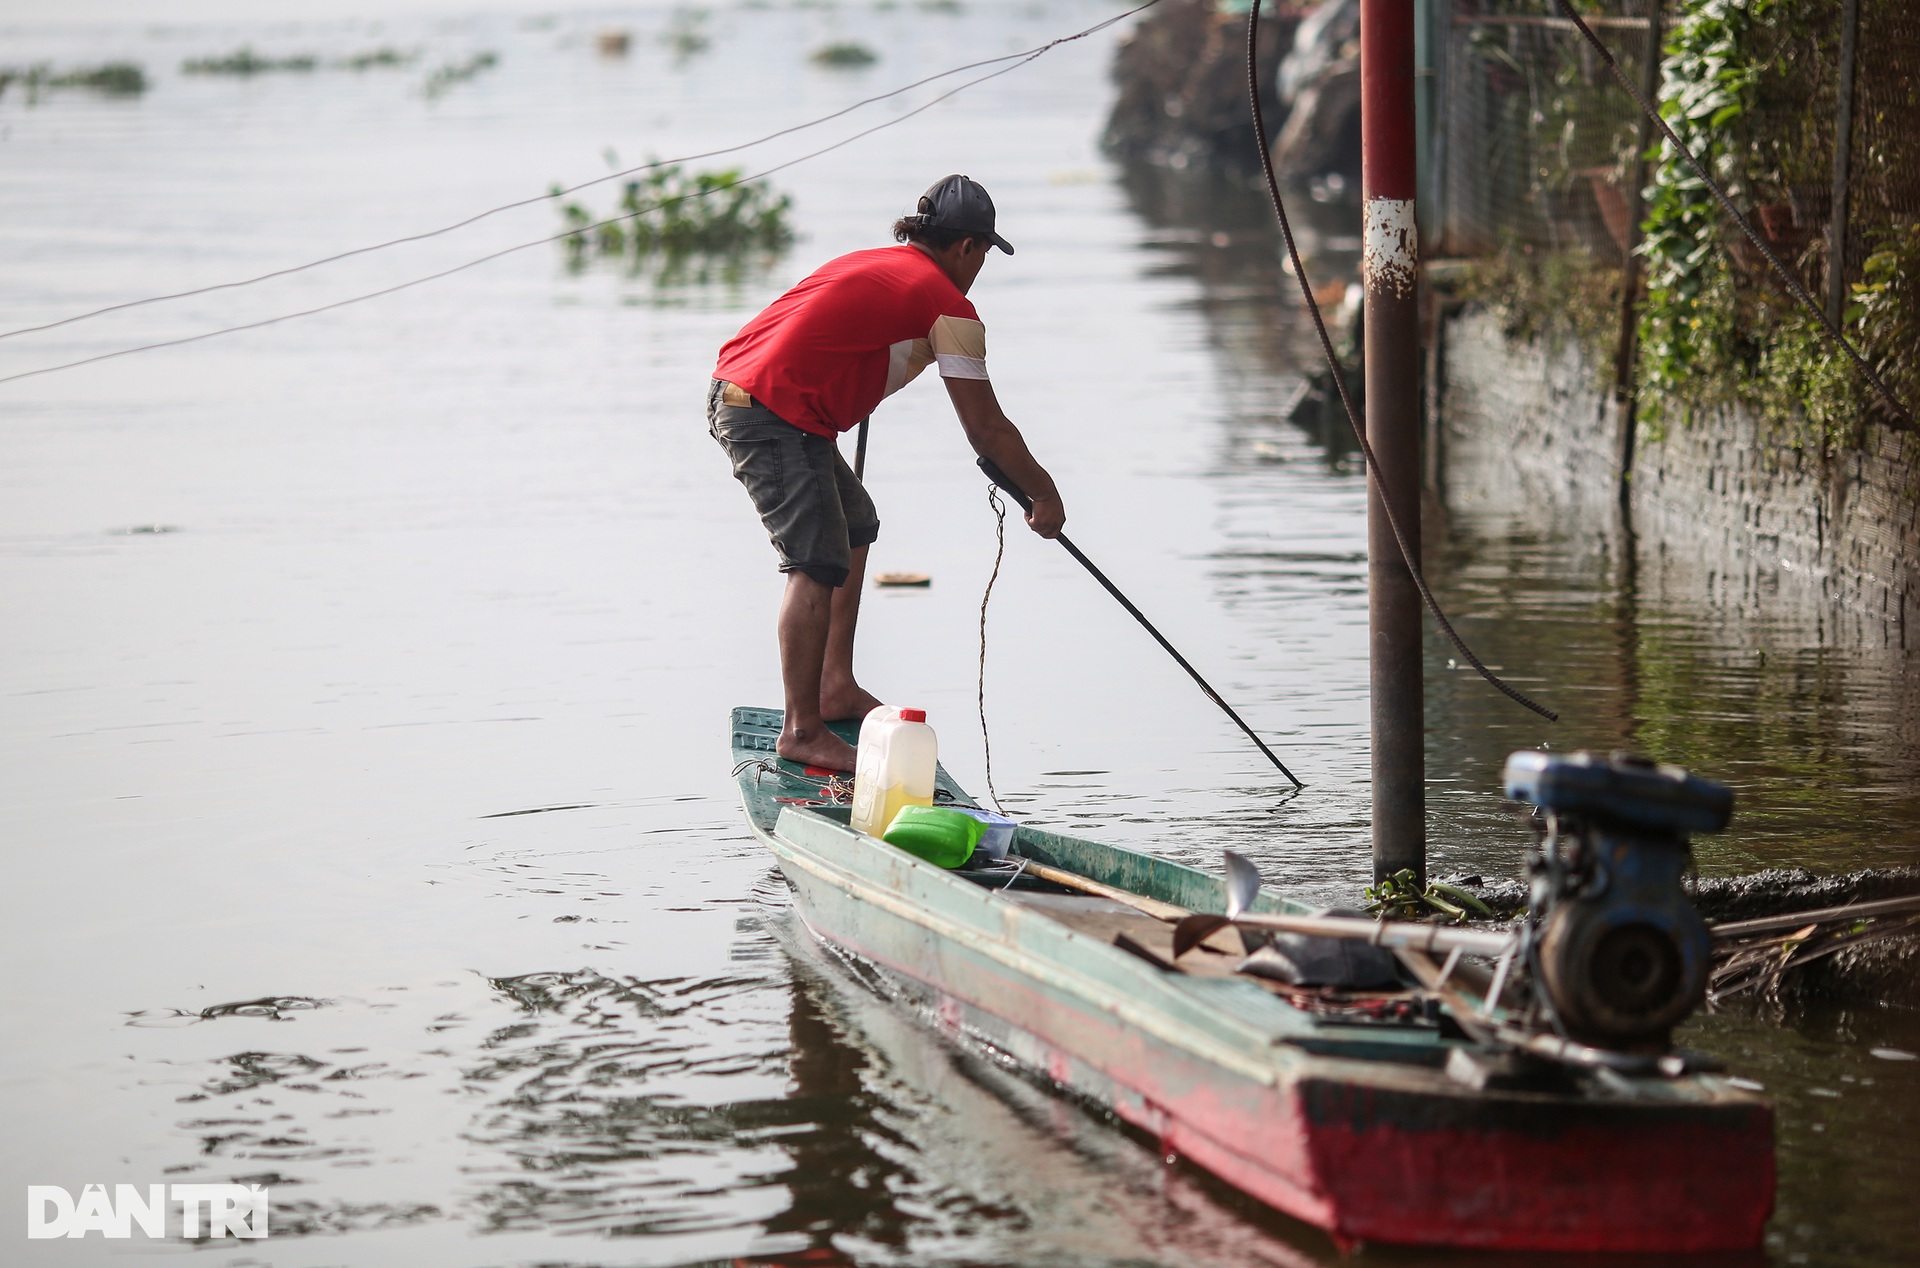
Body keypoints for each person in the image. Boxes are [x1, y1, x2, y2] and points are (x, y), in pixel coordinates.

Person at [709, 174, 1065, 772]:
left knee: (853, 523)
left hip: (757, 394)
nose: (978, 269)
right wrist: (1044, 493)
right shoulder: (948, 304)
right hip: (771, 410)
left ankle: (833, 685)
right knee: (816, 559)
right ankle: (802, 729)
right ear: (969, 248)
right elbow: (986, 428)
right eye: (982, 255)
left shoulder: (879, 263)